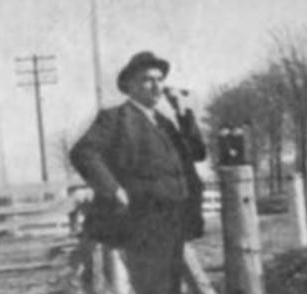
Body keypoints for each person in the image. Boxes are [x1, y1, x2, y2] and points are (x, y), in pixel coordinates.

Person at [69, 51, 206, 294]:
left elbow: (196, 153)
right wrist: (112, 189)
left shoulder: (165, 123)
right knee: (153, 288)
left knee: (172, 288)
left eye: (160, 79)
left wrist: (184, 114)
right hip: (142, 221)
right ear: (129, 85)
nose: (156, 86)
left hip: (175, 220)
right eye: (147, 80)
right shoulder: (116, 119)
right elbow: (83, 152)